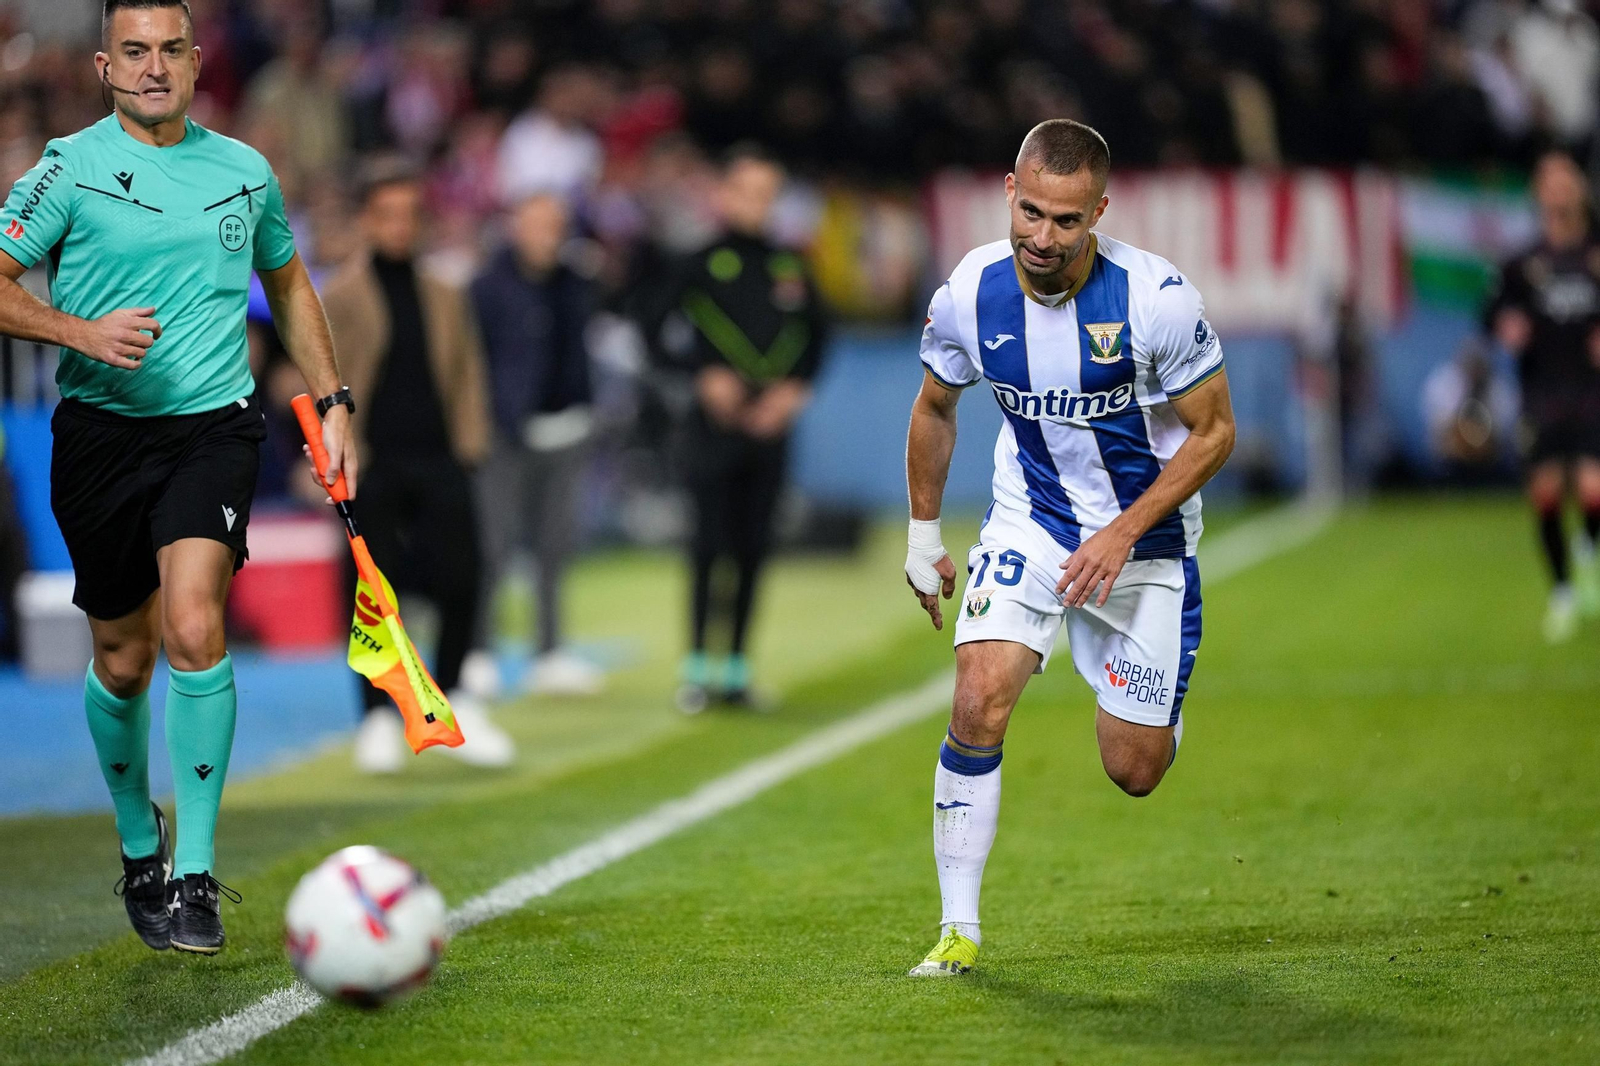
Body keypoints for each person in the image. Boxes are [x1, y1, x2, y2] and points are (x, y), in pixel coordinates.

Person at [0, 0, 357, 955]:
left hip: (213, 431)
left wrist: (331, 404)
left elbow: (287, 281)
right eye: (134, 51)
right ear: (103, 66)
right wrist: (80, 332)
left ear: (198, 62)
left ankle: (196, 874)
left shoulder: (246, 171)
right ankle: (139, 844)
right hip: (100, 438)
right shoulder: (68, 169)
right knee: (123, 657)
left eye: (170, 51)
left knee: (195, 625)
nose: (153, 67)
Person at [902, 119, 1235, 976]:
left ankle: (1157, 715)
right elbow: (937, 405)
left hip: (1146, 543)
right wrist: (922, 534)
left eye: (1065, 222)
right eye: (1032, 214)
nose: (1042, 239)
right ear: (1009, 192)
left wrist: (1123, 533)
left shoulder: (1156, 301)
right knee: (978, 696)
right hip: (1032, 523)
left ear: (1100, 213)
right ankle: (957, 930)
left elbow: (1214, 434)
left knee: (1134, 770)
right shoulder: (970, 293)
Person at [320, 160, 515, 773]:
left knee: (465, 575)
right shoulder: (341, 295)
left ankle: (455, 697)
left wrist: (472, 444)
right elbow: (322, 378)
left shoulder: (446, 292)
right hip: (373, 458)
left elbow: (466, 374)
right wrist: (332, 456)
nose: (400, 226)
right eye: (387, 214)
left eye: (409, 214)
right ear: (366, 221)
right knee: (375, 594)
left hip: (440, 454)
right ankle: (378, 717)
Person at [655, 145, 827, 712]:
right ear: (723, 196)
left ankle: (736, 670)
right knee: (707, 544)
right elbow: (649, 329)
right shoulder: (697, 263)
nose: (758, 204)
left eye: (767, 194)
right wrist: (701, 375)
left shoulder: (791, 265)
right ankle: (697, 671)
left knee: (755, 547)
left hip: (771, 428)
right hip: (711, 428)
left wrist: (793, 392)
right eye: (747, 192)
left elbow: (819, 335)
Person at [469, 192, 603, 696]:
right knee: (493, 544)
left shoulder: (576, 283)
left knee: (555, 546)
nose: (547, 235)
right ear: (515, 225)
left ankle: (550, 651)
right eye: (537, 223)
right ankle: (479, 650)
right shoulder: (486, 287)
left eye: (555, 225)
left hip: (566, 426)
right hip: (506, 433)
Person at [1484, 150, 1600, 643]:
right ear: (1538, 193)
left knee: (1594, 489)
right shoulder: (1523, 263)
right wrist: (1505, 326)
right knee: (1547, 492)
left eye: (1565, 180)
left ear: (1580, 189)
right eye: (1548, 181)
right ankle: (1562, 593)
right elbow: (1492, 313)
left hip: (1592, 390)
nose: (1558, 190)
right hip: (1542, 390)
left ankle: (1588, 549)